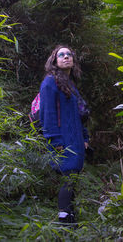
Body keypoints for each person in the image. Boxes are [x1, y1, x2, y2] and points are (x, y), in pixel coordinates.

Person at [39, 45, 89, 224]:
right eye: (61, 55)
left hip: (75, 139)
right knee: (68, 176)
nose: (66, 57)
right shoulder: (49, 83)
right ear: (55, 60)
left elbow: (80, 115)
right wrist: (54, 140)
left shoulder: (70, 85)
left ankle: (71, 215)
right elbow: (47, 114)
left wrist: (85, 138)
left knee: (73, 175)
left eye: (69, 54)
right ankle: (64, 220)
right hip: (62, 139)